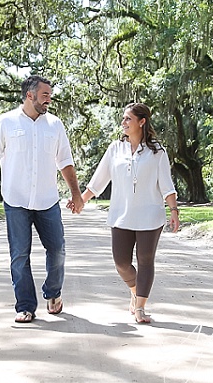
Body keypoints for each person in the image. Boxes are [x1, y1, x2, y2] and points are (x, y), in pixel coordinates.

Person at [0, 75, 85, 323]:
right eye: (45, 95)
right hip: (16, 201)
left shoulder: (55, 125)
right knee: (19, 256)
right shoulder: (5, 123)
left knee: (57, 250)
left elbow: (65, 162)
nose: (49, 99)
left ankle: (53, 293)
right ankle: (25, 306)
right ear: (30, 95)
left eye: (50, 95)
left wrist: (76, 194)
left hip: (48, 201)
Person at [76, 102, 180, 324]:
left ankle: (141, 307)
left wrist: (173, 210)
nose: (123, 123)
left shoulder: (157, 152)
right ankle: (135, 290)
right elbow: (99, 180)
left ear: (141, 122)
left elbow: (166, 184)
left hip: (150, 216)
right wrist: (81, 200)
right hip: (121, 215)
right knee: (121, 262)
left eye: (128, 119)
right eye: (123, 119)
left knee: (145, 260)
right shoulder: (115, 149)